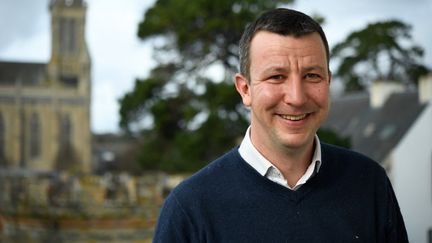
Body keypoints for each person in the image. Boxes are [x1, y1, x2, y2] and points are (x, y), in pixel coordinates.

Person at [153, 8, 408, 243]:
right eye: (277, 77)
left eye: (312, 75)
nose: (296, 97)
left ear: (328, 82)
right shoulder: (190, 209)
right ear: (245, 89)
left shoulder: (369, 183)